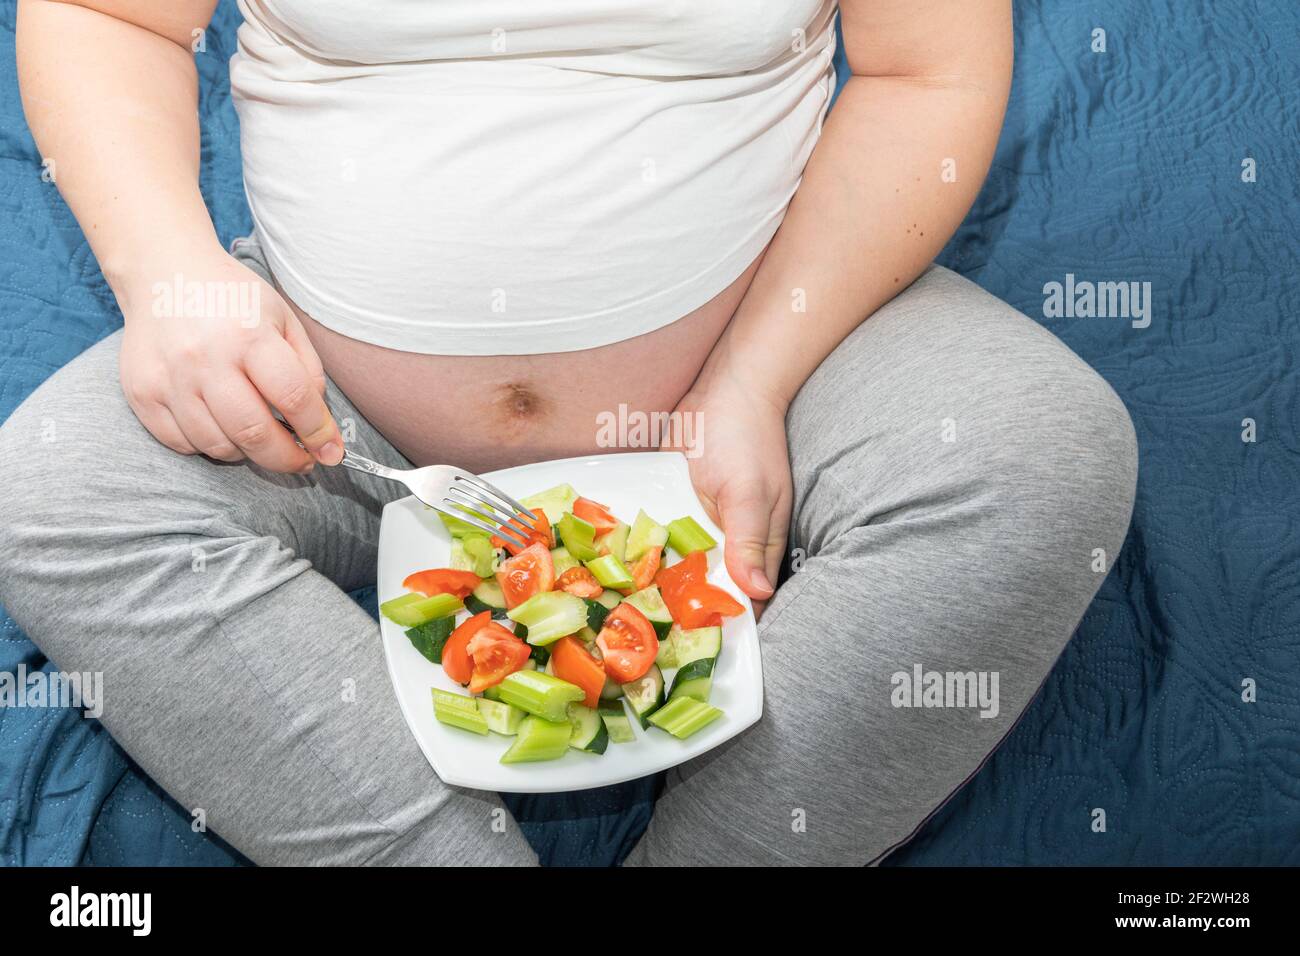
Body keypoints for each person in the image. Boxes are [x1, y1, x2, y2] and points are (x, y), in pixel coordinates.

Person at [0, 0, 1136, 865]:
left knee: (1038, 453)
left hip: (775, 337)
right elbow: (108, 15)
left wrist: (750, 379)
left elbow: (924, 71)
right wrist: (171, 280)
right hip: (322, 402)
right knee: (56, 496)